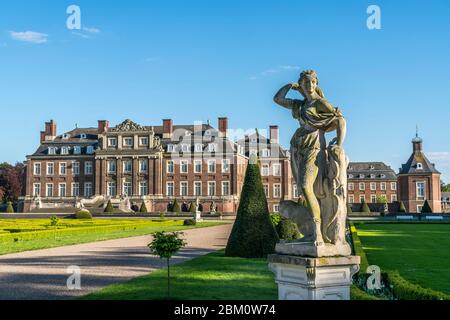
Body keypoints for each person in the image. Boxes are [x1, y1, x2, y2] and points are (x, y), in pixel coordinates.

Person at [274, 70, 346, 245]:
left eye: (312, 82)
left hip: (314, 147)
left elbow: (340, 120)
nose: (309, 85)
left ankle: (318, 234)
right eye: (306, 83)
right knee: (305, 189)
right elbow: (278, 99)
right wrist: (290, 86)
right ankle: (314, 232)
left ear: (316, 84)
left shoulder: (320, 103)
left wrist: (339, 143)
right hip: (298, 147)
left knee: (306, 186)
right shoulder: (300, 104)